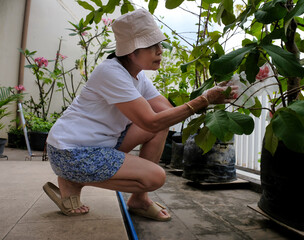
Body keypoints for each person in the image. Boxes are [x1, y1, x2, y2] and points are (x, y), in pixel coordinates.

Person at [43, 8, 237, 221]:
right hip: (71, 151)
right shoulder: (111, 72)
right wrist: (204, 99)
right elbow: (149, 121)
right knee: (155, 177)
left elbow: (165, 113)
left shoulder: (137, 76)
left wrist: (210, 98)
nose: (160, 50)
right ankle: (72, 179)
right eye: (151, 45)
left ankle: (138, 199)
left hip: (101, 144)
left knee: (162, 125)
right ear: (130, 51)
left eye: (159, 44)